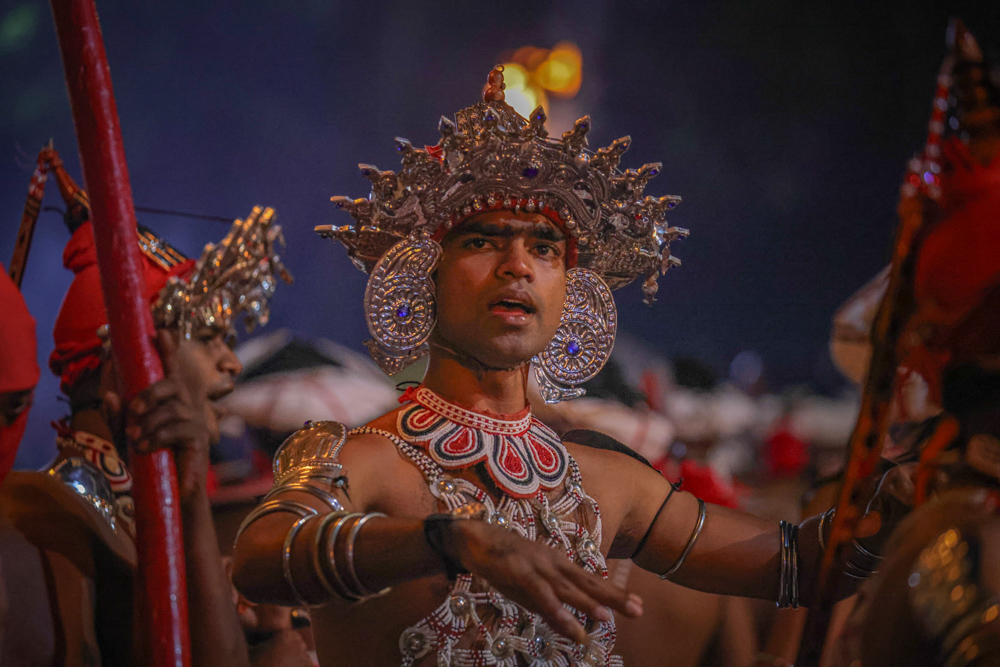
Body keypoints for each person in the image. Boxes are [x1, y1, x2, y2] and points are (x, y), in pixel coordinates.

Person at [233, 67, 912, 666]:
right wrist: (454, 538)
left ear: (572, 291)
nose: (518, 265)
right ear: (422, 278)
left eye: (546, 247)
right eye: (482, 239)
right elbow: (265, 555)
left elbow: (800, 563)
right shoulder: (363, 456)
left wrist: (899, 499)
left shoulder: (607, 481)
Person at [0, 183, 291, 666]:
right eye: (206, 337)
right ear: (123, 372)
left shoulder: (135, 517)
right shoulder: (43, 517)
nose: (232, 364)